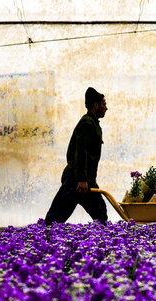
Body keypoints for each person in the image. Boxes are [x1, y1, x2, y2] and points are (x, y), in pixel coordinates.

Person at [44, 87, 108, 225]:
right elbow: (80, 151)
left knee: (100, 213)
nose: (106, 108)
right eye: (103, 104)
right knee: (55, 218)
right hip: (76, 180)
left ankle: (101, 243)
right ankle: (42, 241)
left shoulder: (93, 124)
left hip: (85, 179)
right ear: (95, 105)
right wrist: (81, 180)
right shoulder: (87, 124)